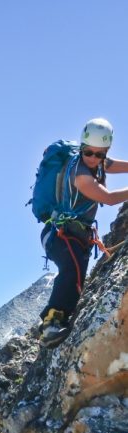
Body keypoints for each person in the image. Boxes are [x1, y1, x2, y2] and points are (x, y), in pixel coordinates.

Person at [39, 118, 128, 348]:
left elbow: (110, 165)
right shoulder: (80, 173)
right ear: (82, 147)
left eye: (100, 154)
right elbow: (107, 198)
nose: (94, 158)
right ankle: (51, 325)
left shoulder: (93, 162)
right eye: (89, 152)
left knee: (76, 276)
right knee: (71, 269)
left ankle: (59, 320)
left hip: (73, 235)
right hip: (60, 233)